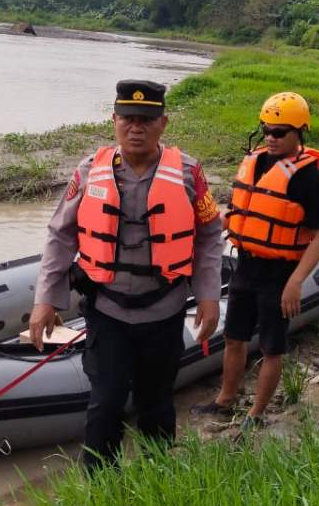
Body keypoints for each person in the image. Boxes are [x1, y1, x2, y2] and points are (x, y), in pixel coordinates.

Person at [29, 80, 224, 469]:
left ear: (163, 124)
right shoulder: (88, 172)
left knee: (157, 402)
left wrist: (208, 294)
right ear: (114, 120)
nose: (137, 128)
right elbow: (60, 237)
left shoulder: (189, 174)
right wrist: (46, 300)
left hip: (164, 309)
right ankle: (101, 488)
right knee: (105, 402)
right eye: (128, 119)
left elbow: (209, 235)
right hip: (108, 310)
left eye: (147, 120)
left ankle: (157, 476)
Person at [194, 92, 319, 432]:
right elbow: (240, 210)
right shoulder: (255, 162)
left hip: (279, 275)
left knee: (272, 348)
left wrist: (296, 282)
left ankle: (255, 414)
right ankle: (225, 399)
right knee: (234, 338)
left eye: (280, 131)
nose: (271, 137)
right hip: (246, 266)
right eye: (267, 130)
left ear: (299, 132)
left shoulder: (309, 178)